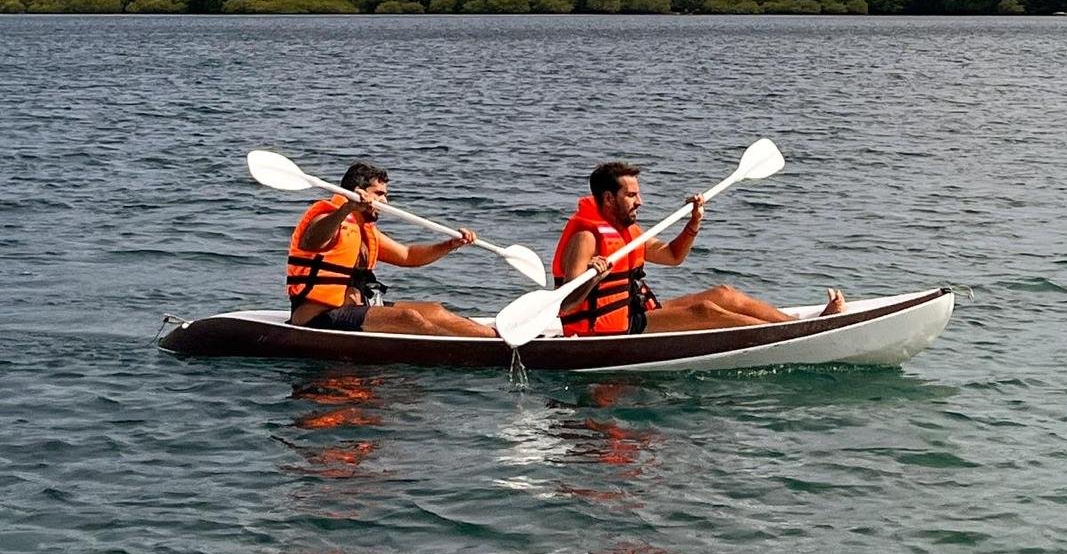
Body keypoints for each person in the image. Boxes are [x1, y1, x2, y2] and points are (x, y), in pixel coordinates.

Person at [551, 161, 845, 335]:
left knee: (723, 294)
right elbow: (565, 304)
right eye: (631, 195)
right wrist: (594, 278)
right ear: (608, 198)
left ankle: (800, 327)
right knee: (705, 311)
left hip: (636, 310)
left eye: (638, 194)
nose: (640, 201)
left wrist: (693, 223)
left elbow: (673, 256)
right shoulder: (586, 237)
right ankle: (792, 335)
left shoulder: (627, 232)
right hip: (612, 329)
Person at [286, 160, 496, 337]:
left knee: (435, 311)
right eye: (378, 194)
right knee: (408, 318)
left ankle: (495, 338)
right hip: (317, 316)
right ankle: (470, 349)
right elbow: (311, 241)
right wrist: (347, 207)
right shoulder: (328, 219)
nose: (385, 201)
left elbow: (408, 256)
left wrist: (450, 245)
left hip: (358, 309)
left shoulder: (364, 232)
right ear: (357, 193)